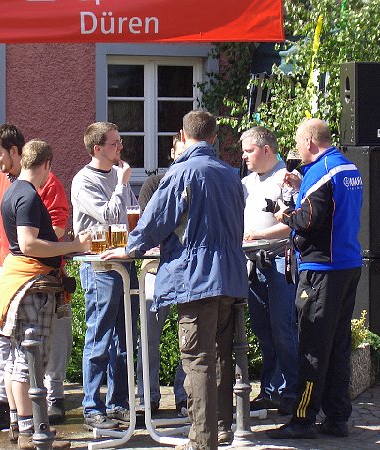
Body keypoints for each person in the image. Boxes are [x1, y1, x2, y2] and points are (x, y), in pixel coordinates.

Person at [102, 110, 249, 450]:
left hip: (197, 278)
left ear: (182, 136)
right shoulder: (230, 175)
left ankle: (202, 440)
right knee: (221, 356)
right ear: (213, 137)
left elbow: (155, 222)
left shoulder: (181, 173)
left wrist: (130, 248)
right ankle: (221, 429)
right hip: (229, 275)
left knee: (197, 360)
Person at [0, 124, 72, 434]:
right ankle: (8, 412)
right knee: (19, 351)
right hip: (20, 274)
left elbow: (55, 227)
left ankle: (45, 404)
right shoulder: (5, 185)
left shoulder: (45, 185)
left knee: (35, 347)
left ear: (16, 152)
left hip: (34, 274)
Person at [0, 139, 91, 449]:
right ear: (46, 165)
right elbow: (28, 244)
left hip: (16, 280)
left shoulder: (12, 190)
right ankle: (35, 435)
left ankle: (20, 427)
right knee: (29, 360)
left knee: (15, 358)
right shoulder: (29, 196)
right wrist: (74, 245)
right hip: (32, 285)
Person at [266, 118, 363, 440]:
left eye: (298, 142)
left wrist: (284, 215)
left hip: (322, 269)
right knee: (337, 345)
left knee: (312, 346)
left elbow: (309, 221)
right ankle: (337, 416)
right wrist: (301, 188)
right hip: (347, 264)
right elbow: (330, 208)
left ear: (309, 141)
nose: (297, 148)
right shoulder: (348, 167)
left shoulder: (321, 172)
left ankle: (303, 418)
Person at [70, 121, 140, 431]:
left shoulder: (117, 175)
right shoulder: (84, 181)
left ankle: (118, 403)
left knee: (125, 337)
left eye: (120, 142)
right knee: (99, 337)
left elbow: (132, 214)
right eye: (115, 143)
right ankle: (91, 406)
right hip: (100, 266)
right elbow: (111, 216)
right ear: (97, 148)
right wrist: (122, 185)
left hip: (124, 260)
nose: (120, 147)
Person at [240, 126, 299, 415]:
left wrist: (259, 236)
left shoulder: (286, 179)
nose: (244, 156)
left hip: (279, 261)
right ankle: (271, 390)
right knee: (263, 330)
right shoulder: (245, 183)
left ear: (266, 150)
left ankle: (293, 391)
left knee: (283, 329)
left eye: (249, 151)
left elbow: (293, 223)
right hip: (254, 264)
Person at [136, 132, 187, 416]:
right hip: (155, 269)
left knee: (189, 335)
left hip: (188, 270)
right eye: (180, 153)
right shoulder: (154, 184)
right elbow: (150, 225)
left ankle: (184, 396)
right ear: (172, 154)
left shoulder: (197, 183)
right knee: (149, 336)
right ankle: (148, 397)